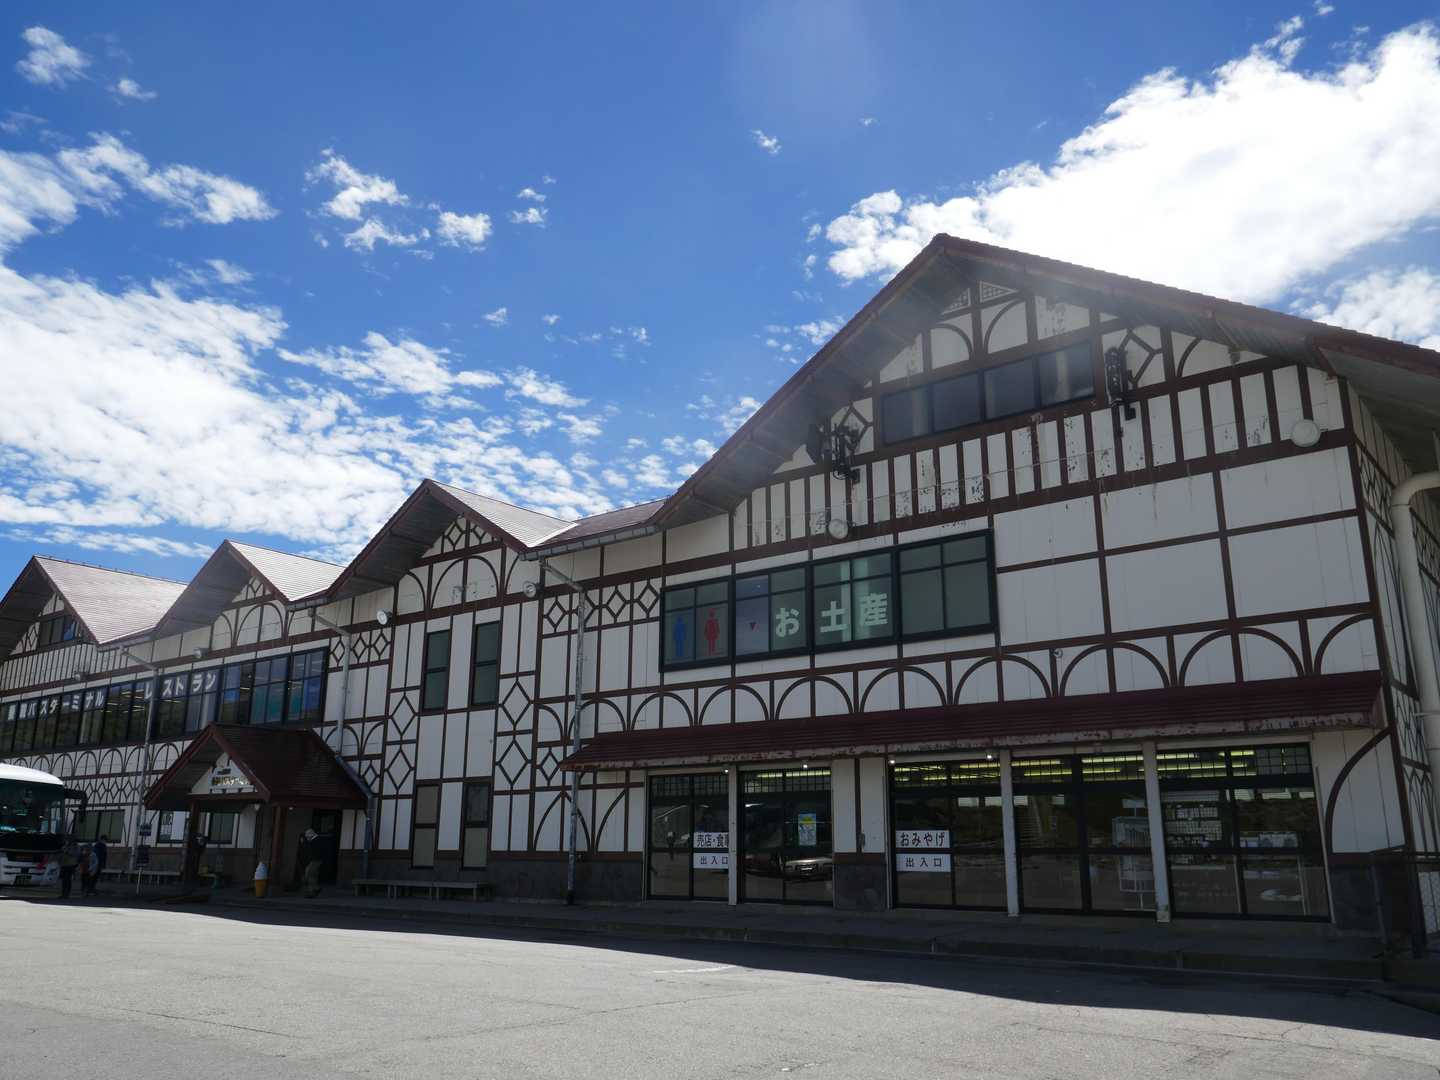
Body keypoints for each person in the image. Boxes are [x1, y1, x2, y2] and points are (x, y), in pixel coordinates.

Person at [301, 828, 323, 898]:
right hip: (316, 860)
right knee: (313, 875)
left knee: (309, 873)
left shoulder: (315, 841)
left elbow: (311, 849)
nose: (307, 838)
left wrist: (304, 843)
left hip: (315, 860)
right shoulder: (316, 840)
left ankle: (316, 888)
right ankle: (312, 892)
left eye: (307, 836)